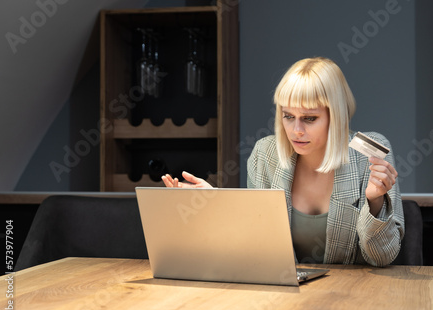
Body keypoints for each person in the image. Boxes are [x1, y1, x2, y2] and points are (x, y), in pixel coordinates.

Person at [162, 57, 404, 267]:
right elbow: (256, 247)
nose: (296, 130)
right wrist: (216, 204)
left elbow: (382, 258)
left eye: (309, 118)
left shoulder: (369, 154)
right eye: (288, 116)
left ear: (336, 115)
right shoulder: (266, 154)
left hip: (357, 299)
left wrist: (374, 201)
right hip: (286, 297)